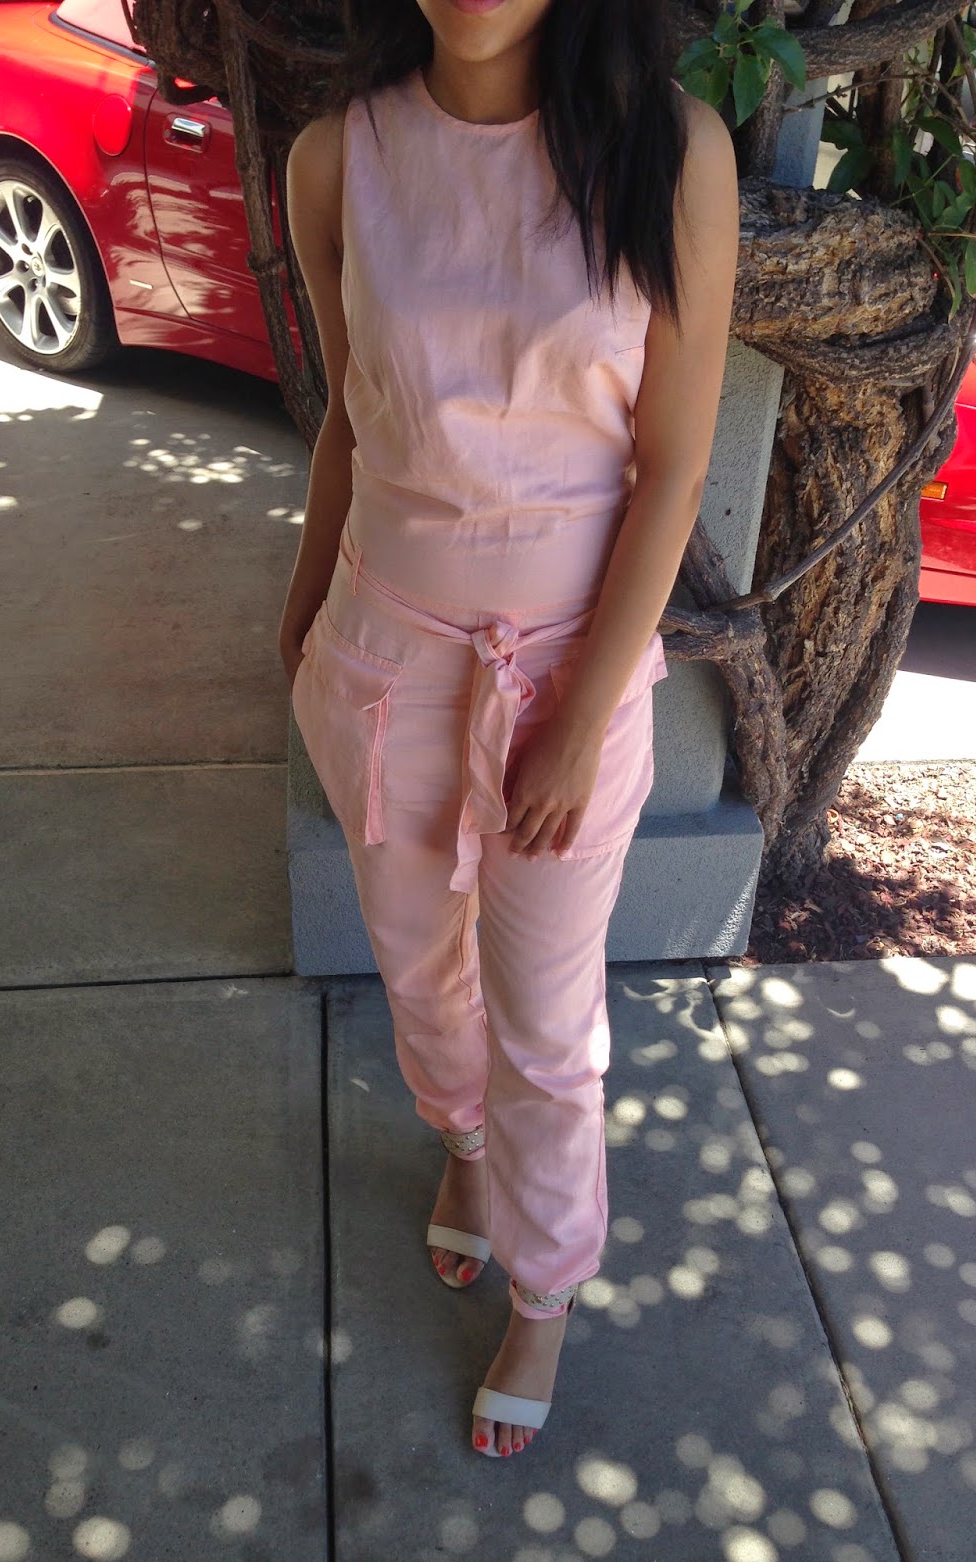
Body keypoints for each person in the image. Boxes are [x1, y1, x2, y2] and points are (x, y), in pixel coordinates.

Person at [277, 0, 739, 1459]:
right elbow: (350, 419)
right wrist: (300, 618)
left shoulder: (670, 153)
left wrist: (583, 717)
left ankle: (545, 1292)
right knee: (420, 969)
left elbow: (673, 467)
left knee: (547, 1020)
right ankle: (463, 1150)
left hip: (567, 673)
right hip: (383, 654)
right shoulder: (337, 159)